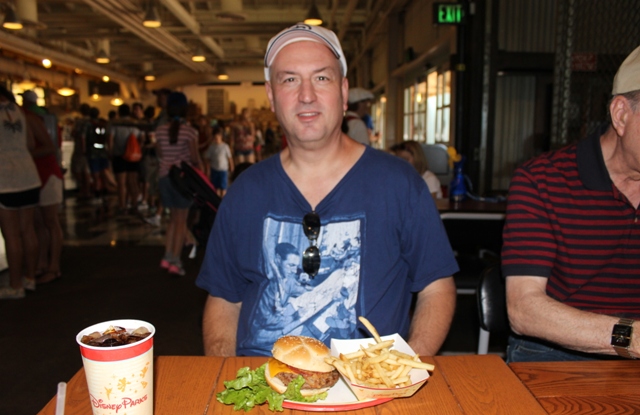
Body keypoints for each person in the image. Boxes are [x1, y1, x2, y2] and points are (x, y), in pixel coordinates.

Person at [196, 23, 458, 357]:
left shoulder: (398, 184)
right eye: (289, 80)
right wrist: (224, 374)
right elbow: (224, 299)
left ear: (343, 92)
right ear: (271, 96)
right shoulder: (245, 192)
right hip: (262, 379)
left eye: (321, 78)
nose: (306, 95)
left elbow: (436, 287)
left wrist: (406, 366)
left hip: (366, 381)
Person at [502, 45, 640, 362]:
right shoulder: (542, 180)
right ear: (621, 114)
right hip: (558, 353)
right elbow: (523, 309)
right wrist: (630, 338)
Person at [0, 87, 41, 299]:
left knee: (12, 235)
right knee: (28, 230)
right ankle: (30, 278)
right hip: (29, 176)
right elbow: (31, 143)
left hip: (5, 179)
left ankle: (15, 285)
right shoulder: (20, 112)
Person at [156, 92, 202, 276]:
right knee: (182, 221)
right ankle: (175, 261)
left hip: (164, 177)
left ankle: (167, 257)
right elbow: (194, 158)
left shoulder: (160, 131)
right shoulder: (190, 132)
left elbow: (160, 154)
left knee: (172, 220)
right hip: (181, 180)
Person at [22, 91, 64, 286]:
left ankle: (53, 267)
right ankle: (42, 263)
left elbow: (49, 146)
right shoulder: (25, 116)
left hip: (47, 174)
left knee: (50, 221)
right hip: (33, 176)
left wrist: (23, 154)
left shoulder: (29, 118)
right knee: (39, 222)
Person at [109, 103, 143, 215]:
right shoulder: (136, 124)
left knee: (121, 183)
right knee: (133, 182)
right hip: (134, 156)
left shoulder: (115, 124)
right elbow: (142, 139)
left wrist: (110, 153)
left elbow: (110, 140)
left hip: (119, 155)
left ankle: (122, 206)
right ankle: (134, 204)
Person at [203, 125, 234, 197]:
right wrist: (208, 169)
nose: (216, 139)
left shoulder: (225, 146)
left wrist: (231, 166)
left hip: (223, 169)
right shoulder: (212, 147)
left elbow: (229, 157)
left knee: (224, 186)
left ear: (221, 136)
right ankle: (217, 199)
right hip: (214, 169)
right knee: (215, 186)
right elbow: (207, 158)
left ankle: (223, 198)